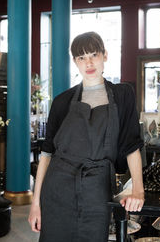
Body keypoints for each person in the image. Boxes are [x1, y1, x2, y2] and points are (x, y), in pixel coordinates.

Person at [28, 31, 145, 242]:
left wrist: (138, 189)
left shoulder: (123, 94)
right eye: (81, 57)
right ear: (75, 62)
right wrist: (36, 204)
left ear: (105, 55)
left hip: (97, 188)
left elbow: (132, 145)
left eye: (94, 55)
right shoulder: (62, 101)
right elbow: (46, 154)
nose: (88, 63)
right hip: (58, 188)